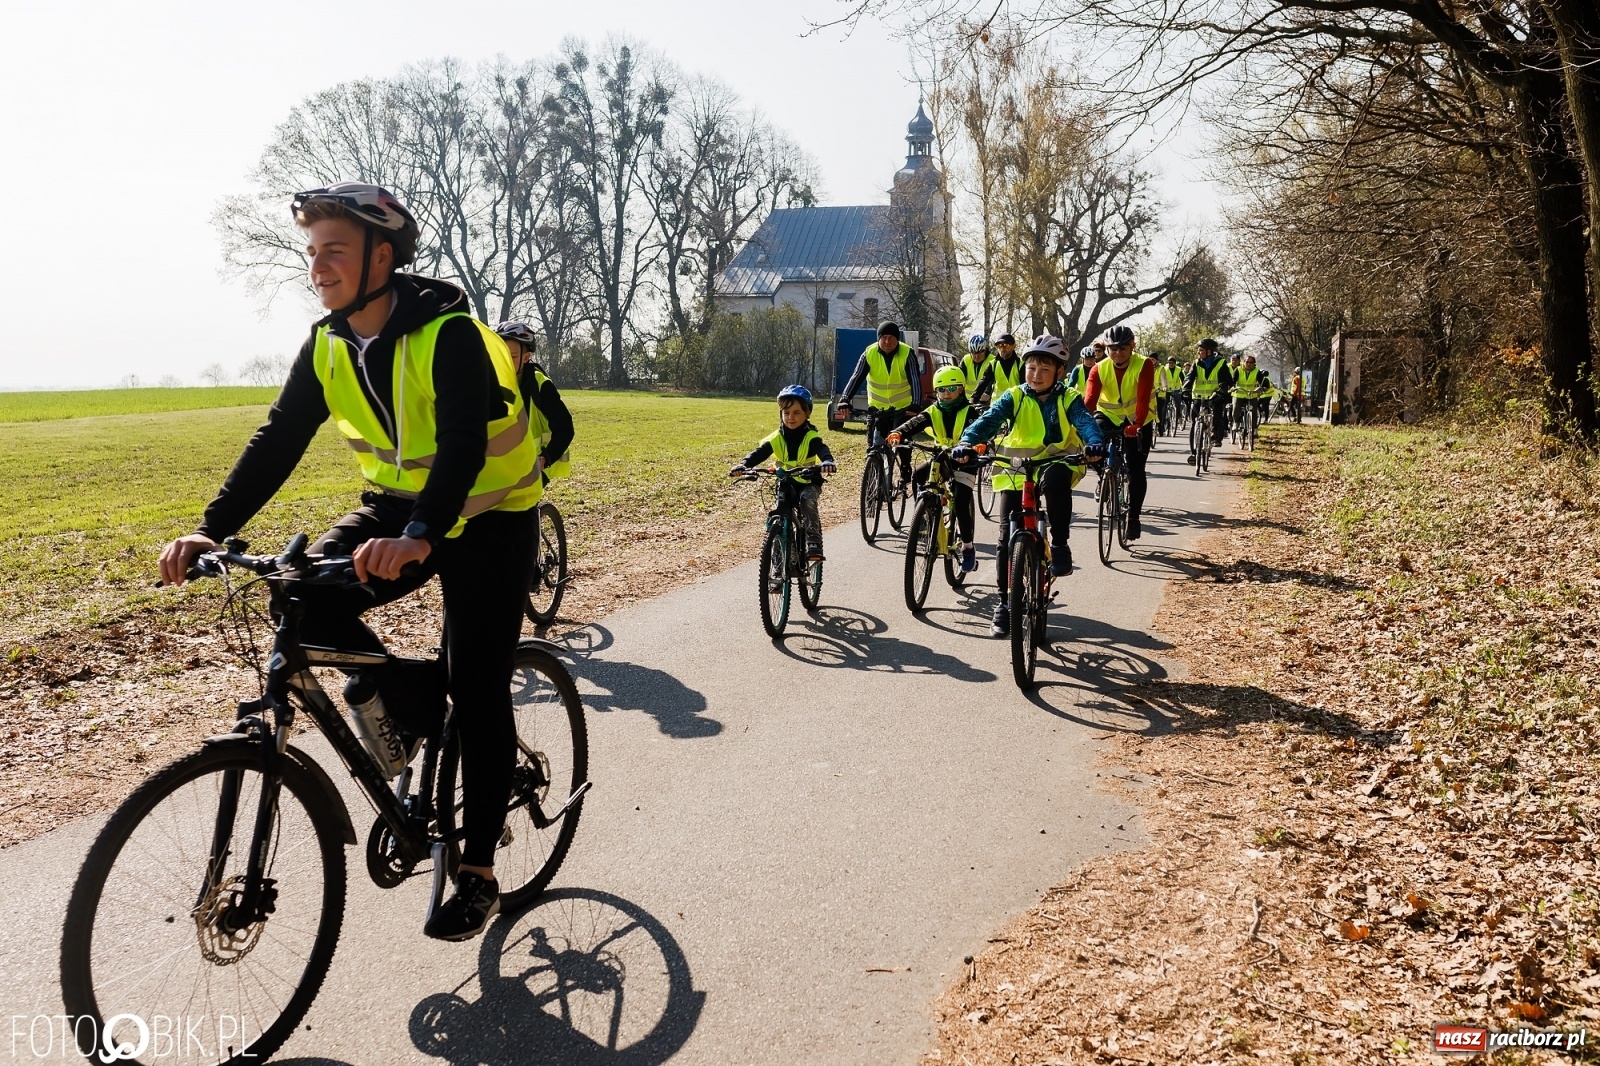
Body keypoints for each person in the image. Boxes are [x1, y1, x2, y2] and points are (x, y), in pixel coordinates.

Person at [158, 183, 542, 942]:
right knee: (302, 599)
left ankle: (477, 873)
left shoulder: (451, 335)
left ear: (383, 256)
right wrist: (210, 529)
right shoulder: (329, 342)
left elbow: (464, 443)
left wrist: (425, 533)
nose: (318, 268)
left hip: (489, 513)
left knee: (480, 684)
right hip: (398, 505)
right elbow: (279, 437)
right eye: (313, 253)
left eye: (333, 251)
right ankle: (418, 696)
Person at [953, 335, 1105, 638]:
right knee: (1005, 540)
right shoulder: (1015, 396)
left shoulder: (1068, 397)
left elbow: (1085, 422)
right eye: (1031, 368)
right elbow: (990, 420)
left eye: (1044, 370)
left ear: (1060, 372)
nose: (1035, 375)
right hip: (1015, 468)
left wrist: (1095, 442)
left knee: (1058, 483)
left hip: (1056, 462)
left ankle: (1059, 544)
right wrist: (967, 441)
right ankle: (1005, 603)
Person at [887, 365, 979, 572]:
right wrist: (898, 433)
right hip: (942, 460)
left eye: (951, 388)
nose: (946, 394)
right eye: (941, 389)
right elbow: (914, 423)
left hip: (966, 462)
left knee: (962, 502)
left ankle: (967, 547)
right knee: (918, 476)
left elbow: (980, 432)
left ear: (961, 389)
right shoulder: (933, 411)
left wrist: (977, 446)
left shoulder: (970, 412)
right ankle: (925, 515)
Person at [731, 386, 837, 559]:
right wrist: (743, 464)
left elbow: (822, 450)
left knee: (807, 499)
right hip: (785, 481)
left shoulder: (811, 437)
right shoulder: (776, 438)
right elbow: (759, 453)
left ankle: (813, 541)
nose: (790, 417)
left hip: (808, 481)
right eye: (786, 413)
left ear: (807, 414)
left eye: (796, 413)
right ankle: (778, 564)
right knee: (778, 512)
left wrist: (827, 461)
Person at [1084, 324, 1155, 540]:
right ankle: (1105, 474)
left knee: (1136, 469)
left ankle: (1133, 518)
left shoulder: (1144, 365)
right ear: (1106, 349)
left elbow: (1142, 399)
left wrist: (1137, 424)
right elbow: (1089, 402)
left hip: (1138, 420)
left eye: (1123, 348)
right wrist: (1079, 425)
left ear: (1132, 345)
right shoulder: (1098, 368)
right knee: (1092, 445)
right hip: (1108, 416)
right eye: (1113, 348)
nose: (1117, 353)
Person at [836, 321, 920, 481]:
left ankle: (905, 467)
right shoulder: (869, 353)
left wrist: (915, 404)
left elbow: (915, 380)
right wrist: (845, 399)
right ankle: (874, 479)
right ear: (878, 339)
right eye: (884, 338)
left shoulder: (907, 354)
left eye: (891, 338)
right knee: (873, 446)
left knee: (902, 441)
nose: (887, 342)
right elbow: (856, 377)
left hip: (902, 408)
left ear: (897, 339)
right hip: (877, 408)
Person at [493, 321, 574, 481]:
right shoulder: (490, 383)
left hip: (535, 466)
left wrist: (546, 458)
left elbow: (565, 428)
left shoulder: (541, 385)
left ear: (526, 357)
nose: (505, 361)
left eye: (513, 356)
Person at [1183, 338, 1232, 462]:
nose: (1198, 353)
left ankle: (1215, 434)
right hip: (1198, 397)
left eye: (1201, 350)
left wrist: (1222, 389)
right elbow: (1189, 378)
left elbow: (1226, 380)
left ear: (1209, 352)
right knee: (1195, 423)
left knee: (1217, 414)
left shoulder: (1221, 363)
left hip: (1214, 397)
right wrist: (1185, 389)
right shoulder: (1196, 363)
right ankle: (1194, 453)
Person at [1232, 354, 1265, 431]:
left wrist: (1261, 388)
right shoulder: (1238, 370)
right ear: (1244, 362)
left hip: (1251, 395)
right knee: (1236, 408)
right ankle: (1236, 423)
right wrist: (1233, 387)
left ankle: (1254, 429)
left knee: (1253, 412)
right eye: (1247, 362)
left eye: (1251, 362)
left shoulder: (1257, 371)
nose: (1249, 364)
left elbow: (1263, 383)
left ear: (1254, 364)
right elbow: (1232, 381)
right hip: (1239, 394)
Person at [960, 334, 992, 400]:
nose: (977, 356)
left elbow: (993, 380)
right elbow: (959, 379)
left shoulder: (992, 360)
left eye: (980, 353)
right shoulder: (966, 360)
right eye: (974, 353)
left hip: (985, 400)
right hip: (967, 400)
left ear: (985, 350)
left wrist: (988, 392)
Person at [1156, 355, 1183, 432]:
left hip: (1176, 389)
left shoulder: (1179, 369)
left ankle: (1178, 415)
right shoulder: (1164, 369)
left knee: (1178, 403)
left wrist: (1183, 387)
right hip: (1166, 390)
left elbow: (1183, 379)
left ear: (1175, 363)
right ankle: (1163, 424)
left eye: (1172, 363)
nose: (1171, 364)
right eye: (1169, 363)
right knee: (1164, 408)